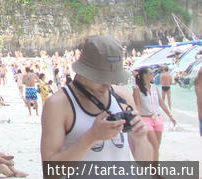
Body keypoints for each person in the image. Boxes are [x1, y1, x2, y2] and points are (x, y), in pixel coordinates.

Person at [40, 35, 152, 163]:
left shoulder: (123, 97)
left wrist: (141, 139)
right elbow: (50, 172)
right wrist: (91, 137)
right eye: (100, 78)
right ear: (83, 71)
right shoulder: (58, 105)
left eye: (111, 78)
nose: (107, 84)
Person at [132, 66, 174, 162]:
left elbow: (161, 103)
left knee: (156, 147)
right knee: (154, 144)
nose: (153, 75)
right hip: (146, 119)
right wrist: (136, 119)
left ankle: (153, 169)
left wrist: (170, 116)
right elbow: (137, 105)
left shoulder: (154, 87)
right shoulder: (136, 88)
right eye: (151, 73)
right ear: (144, 75)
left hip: (158, 119)